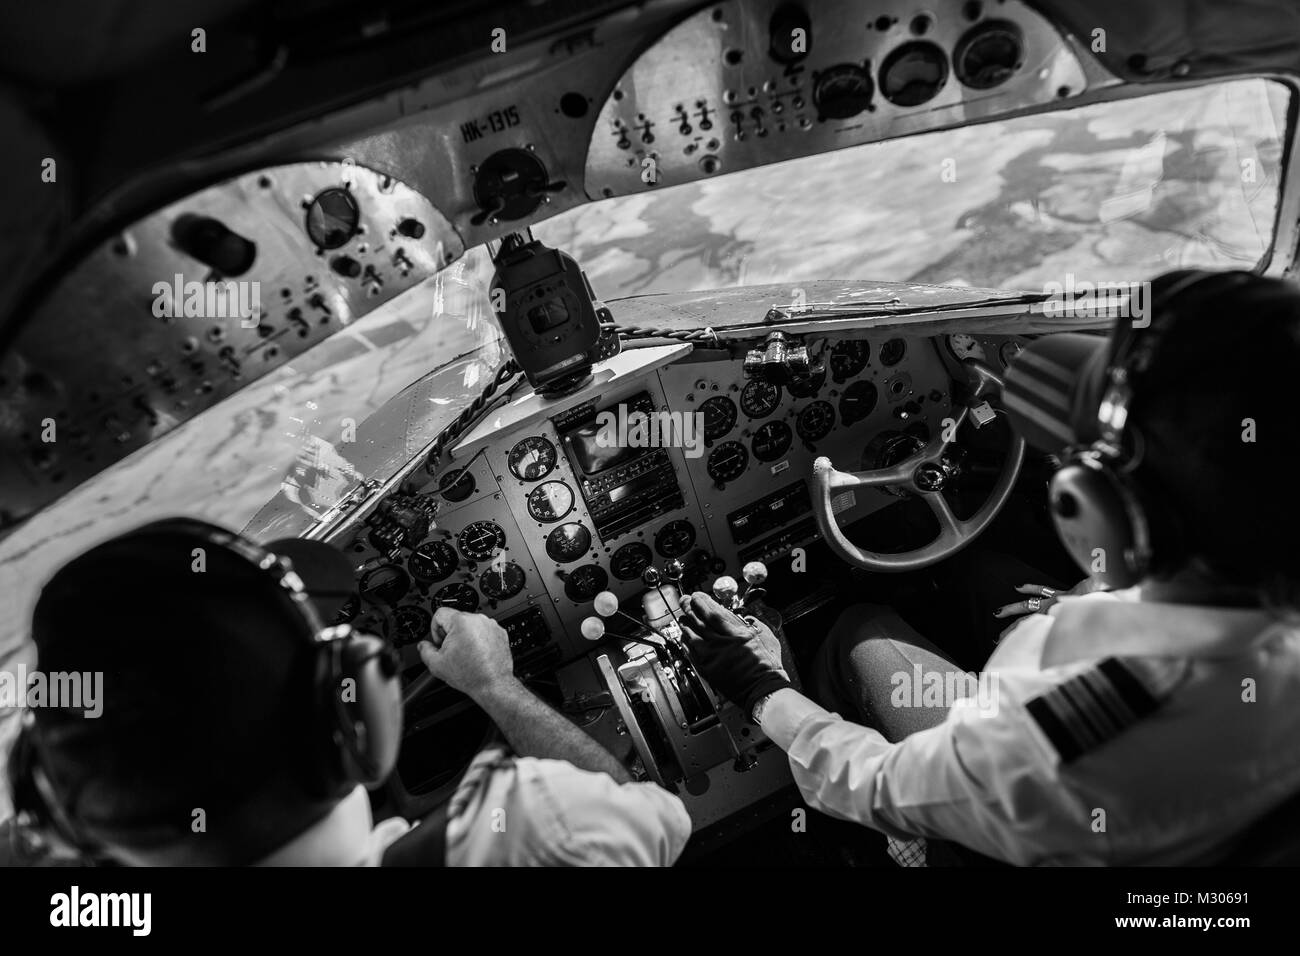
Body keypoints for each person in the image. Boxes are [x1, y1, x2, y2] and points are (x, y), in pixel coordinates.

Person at [680, 269, 1300, 866]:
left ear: (1099, 508)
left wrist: (760, 687)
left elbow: (876, 786)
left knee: (860, 633)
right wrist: (1077, 598)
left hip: (1017, 832)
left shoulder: (1053, 744)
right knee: (986, 576)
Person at [5, 518, 690, 866]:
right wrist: (494, 684)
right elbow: (654, 819)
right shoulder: (541, 830)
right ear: (353, 697)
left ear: (89, 826)